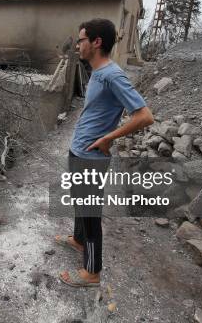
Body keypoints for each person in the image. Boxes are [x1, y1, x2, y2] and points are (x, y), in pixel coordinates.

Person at [56, 18, 154, 287]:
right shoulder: (97, 73)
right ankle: (78, 241)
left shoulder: (112, 75)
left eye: (81, 40)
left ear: (96, 42)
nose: (77, 45)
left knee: (90, 213)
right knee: (79, 203)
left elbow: (144, 116)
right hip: (80, 151)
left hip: (91, 158)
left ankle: (92, 272)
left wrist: (108, 138)